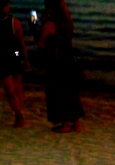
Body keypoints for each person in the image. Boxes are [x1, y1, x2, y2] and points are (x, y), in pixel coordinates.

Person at [38, 0, 84, 133]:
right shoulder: (67, 22)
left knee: (58, 91)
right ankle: (76, 123)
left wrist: (36, 24)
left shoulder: (49, 24)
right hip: (69, 58)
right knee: (71, 91)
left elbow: (40, 42)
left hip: (56, 60)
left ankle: (65, 123)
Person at [0, 0, 30, 128]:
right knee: (17, 85)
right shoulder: (14, 21)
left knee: (10, 89)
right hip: (15, 54)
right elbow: (21, 42)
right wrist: (25, 59)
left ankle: (18, 114)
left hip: (2, 56)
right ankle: (19, 112)